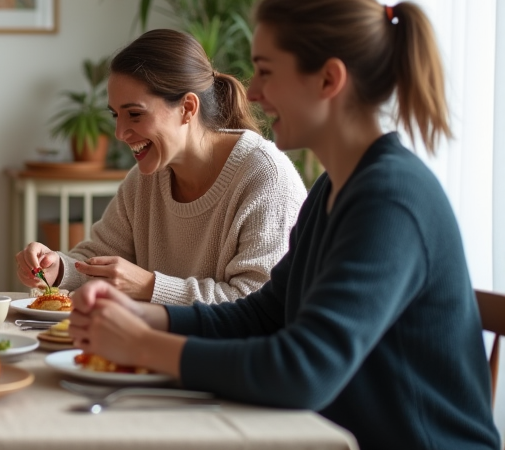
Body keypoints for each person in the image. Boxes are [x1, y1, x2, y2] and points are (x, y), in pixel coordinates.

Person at [70, 0, 499, 450]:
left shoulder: (391, 201)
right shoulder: (335, 188)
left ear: (329, 79)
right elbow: (265, 312)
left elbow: (303, 370)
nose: (255, 92)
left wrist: (142, 345)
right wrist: (147, 316)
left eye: (268, 72)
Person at [16, 29, 306, 304]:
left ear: (188, 108)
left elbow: (259, 304)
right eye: (116, 115)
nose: (120, 133)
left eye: (134, 114)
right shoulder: (145, 181)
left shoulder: (266, 177)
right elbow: (99, 259)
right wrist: (57, 268)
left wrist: (149, 286)